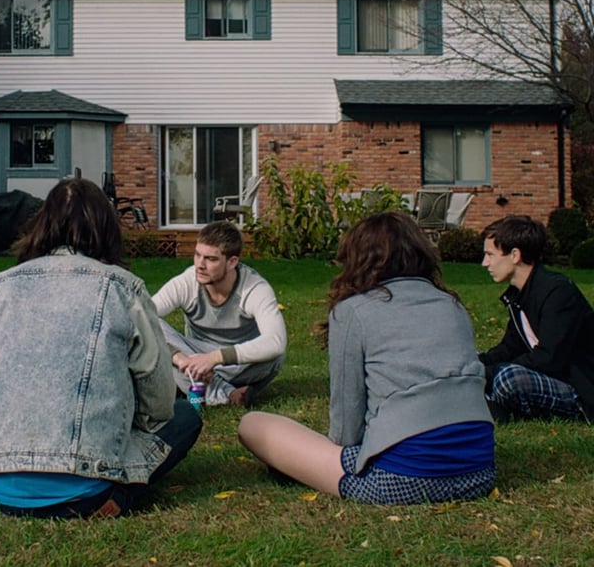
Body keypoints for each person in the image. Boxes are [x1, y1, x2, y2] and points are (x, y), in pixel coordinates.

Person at [0, 177, 202, 518]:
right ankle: (120, 496)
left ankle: (17, 484)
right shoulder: (123, 288)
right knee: (185, 416)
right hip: (91, 487)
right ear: (108, 230)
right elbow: (158, 402)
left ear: (40, 226)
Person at [238, 211, 495, 505]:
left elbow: (347, 416)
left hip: (401, 479)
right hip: (479, 472)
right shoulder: (452, 305)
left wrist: (330, 456)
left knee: (252, 425)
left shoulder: (353, 311)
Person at [152, 220, 286, 407]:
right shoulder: (187, 282)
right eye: (197, 255)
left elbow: (276, 341)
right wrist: (178, 357)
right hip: (193, 357)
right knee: (150, 323)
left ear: (232, 262)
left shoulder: (254, 288)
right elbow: (141, 318)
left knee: (274, 356)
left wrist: (213, 359)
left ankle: (194, 385)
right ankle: (228, 394)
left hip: (238, 363)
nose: (200, 264)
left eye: (211, 259)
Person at [479, 214, 594, 423]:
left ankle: (488, 401)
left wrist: (490, 373)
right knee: (477, 363)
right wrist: (476, 364)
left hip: (579, 389)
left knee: (509, 378)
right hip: (547, 377)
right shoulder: (519, 296)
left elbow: (549, 358)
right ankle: (488, 402)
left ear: (514, 255)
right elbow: (510, 348)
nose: (484, 263)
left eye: (490, 255)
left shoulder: (558, 292)